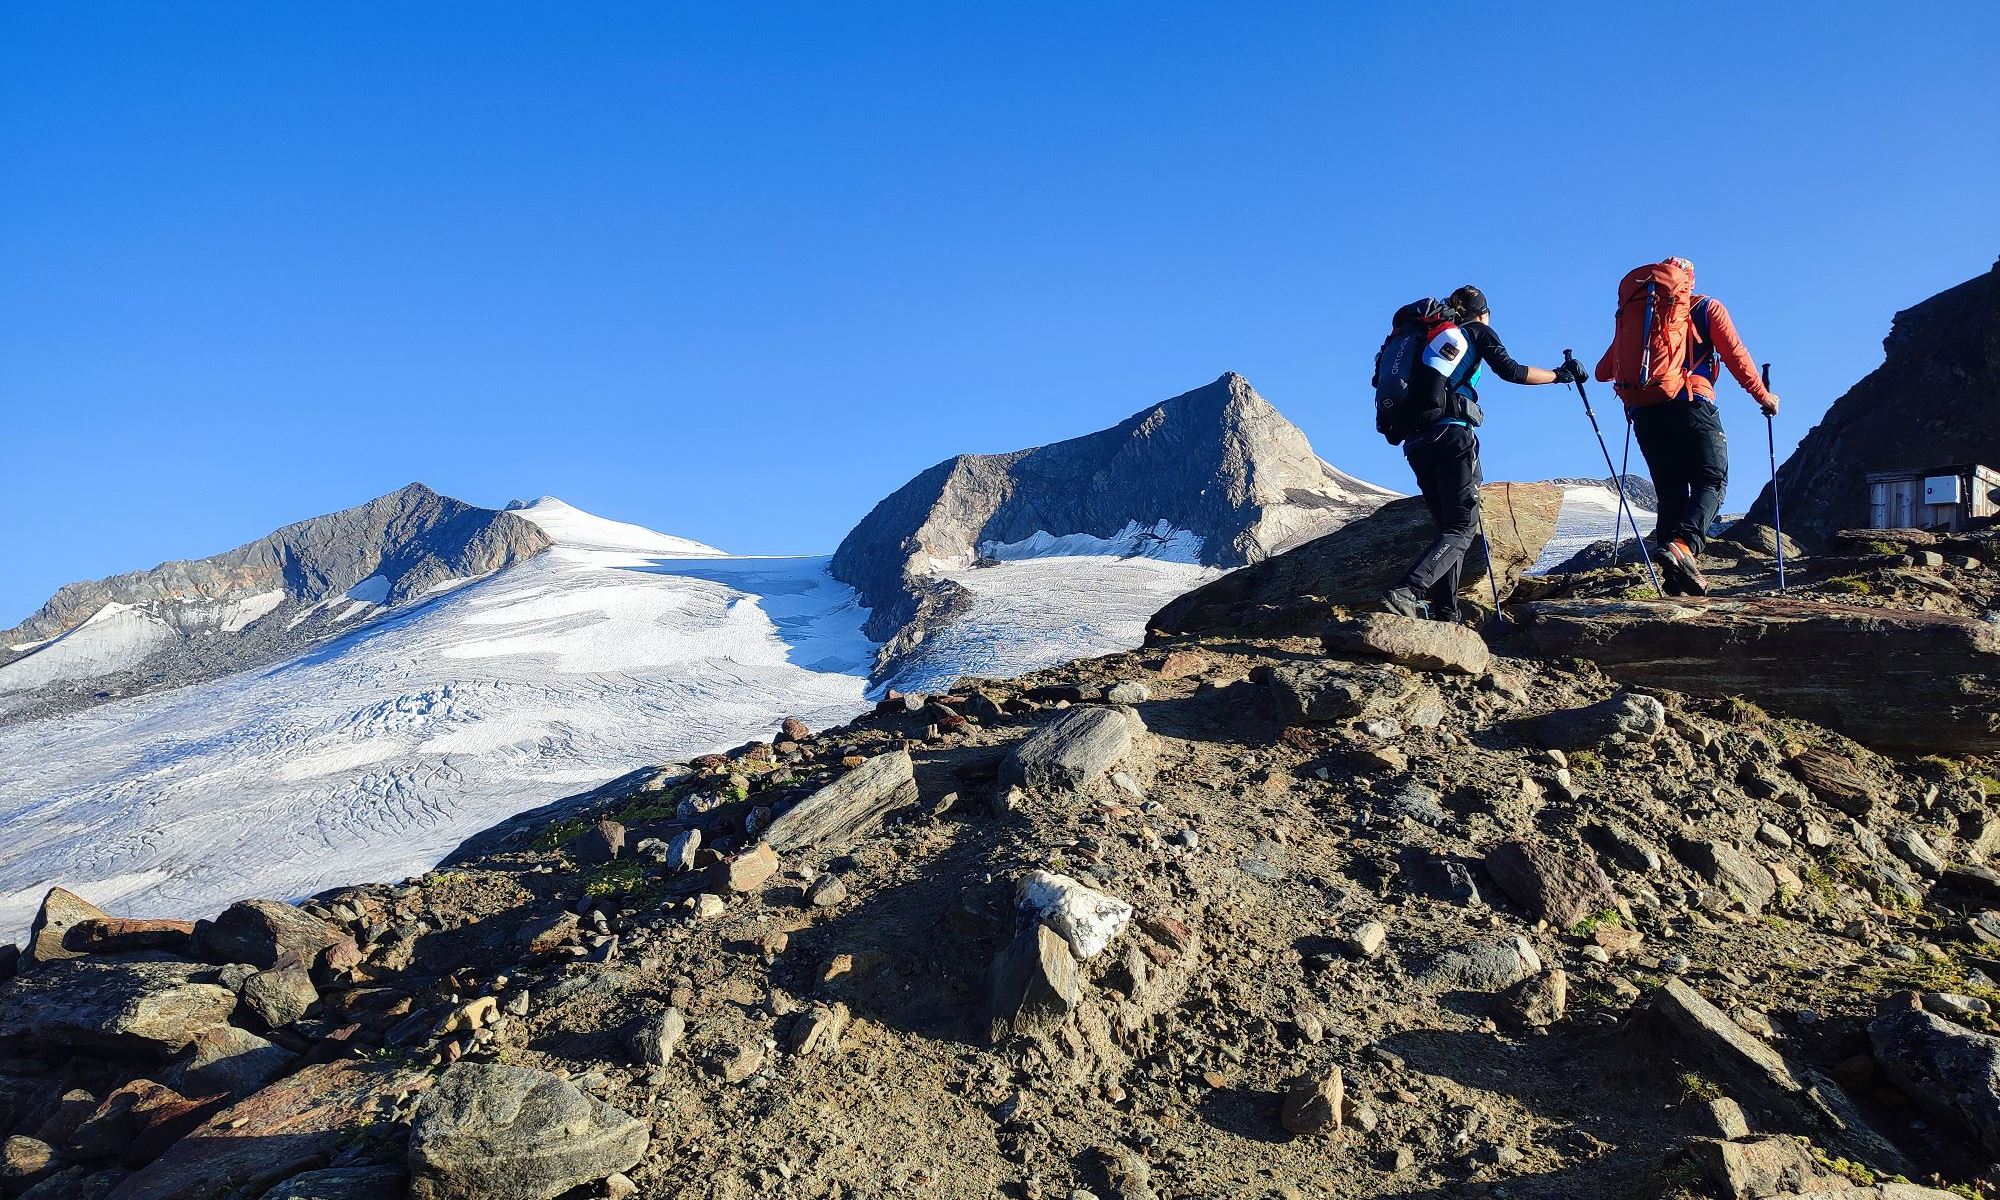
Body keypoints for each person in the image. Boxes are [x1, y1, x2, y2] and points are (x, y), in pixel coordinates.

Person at [1382, 284, 1584, 621]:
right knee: (1462, 526)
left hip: (1416, 442)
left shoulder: (1422, 340)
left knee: (1449, 526)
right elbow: (1513, 371)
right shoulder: (1476, 331)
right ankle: (1408, 590)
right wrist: (1560, 376)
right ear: (1483, 312)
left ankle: (1446, 610)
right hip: (1452, 434)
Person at [1593, 259, 1779, 595]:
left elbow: (1604, 370)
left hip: (1646, 411)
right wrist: (1764, 397)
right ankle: (1684, 546)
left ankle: (1674, 580)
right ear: (1688, 281)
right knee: (1711, 480)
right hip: (1692, 402)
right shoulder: (1707, 307)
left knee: (1670, 492)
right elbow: (1735, 355)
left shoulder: (1640, 314)